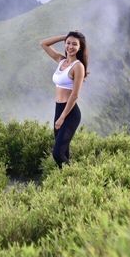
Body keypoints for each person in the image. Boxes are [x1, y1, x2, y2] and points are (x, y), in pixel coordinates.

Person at [39, 31, 89, 168]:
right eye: (68, 43)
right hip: (59, 108)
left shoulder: (78, 66)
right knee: (63, 151)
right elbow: (43, 44)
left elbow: (75, 95)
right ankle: (67, 184)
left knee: (57, 153)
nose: (70, 46)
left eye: (74, 44)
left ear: (80, 47)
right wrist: (64, 36)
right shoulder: (61, 61)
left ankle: (76, 177)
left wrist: (62, 117)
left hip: (70, 112)